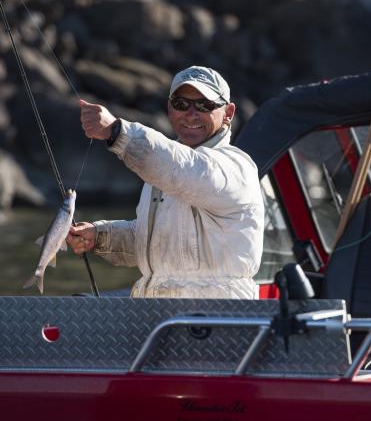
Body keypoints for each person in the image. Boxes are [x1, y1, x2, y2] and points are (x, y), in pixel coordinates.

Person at [67, 66, 264, 298]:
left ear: (228, 113)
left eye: (204, 105)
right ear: (170, 109)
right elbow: (158, 242)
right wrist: (101, 235)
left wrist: (118, 132)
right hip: (161, 313)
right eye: (181, 104)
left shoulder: (235, 166)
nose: (191, 114)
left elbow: (187, 169)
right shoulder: (163, 171)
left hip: (216, 317)